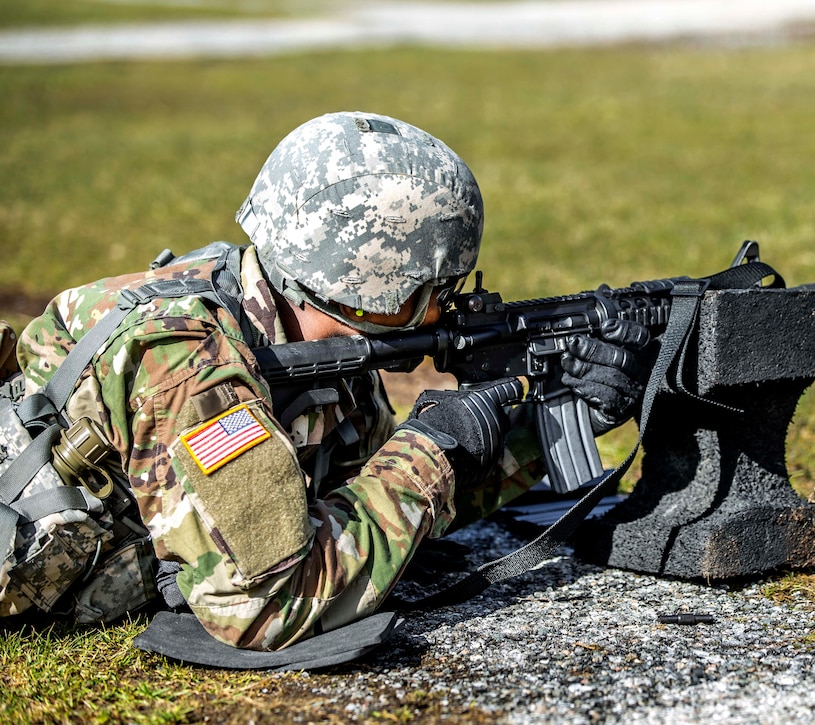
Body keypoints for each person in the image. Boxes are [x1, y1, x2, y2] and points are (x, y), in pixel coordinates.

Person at [1, 112, 651, 651]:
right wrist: (428, 449)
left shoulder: (308, 336)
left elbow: (370, 516)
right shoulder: (188, 359)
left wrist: (542, 427)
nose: (442, 309)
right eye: (434, 288)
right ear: (374, 280)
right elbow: (264, 601)